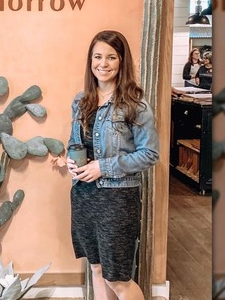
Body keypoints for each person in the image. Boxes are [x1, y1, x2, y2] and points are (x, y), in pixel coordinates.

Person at [66, 30, 160, 300]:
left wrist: (102, 167)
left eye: (111, 57)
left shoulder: (135, 105)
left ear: (122, 61)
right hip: (84, 195)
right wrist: (71, 163)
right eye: (97, 57)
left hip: (117, 198)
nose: (103, 64)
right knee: (96, 268)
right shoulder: (80, 101)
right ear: (90, 60)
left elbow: (150, 154)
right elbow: (75, 143)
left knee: (117, 277)